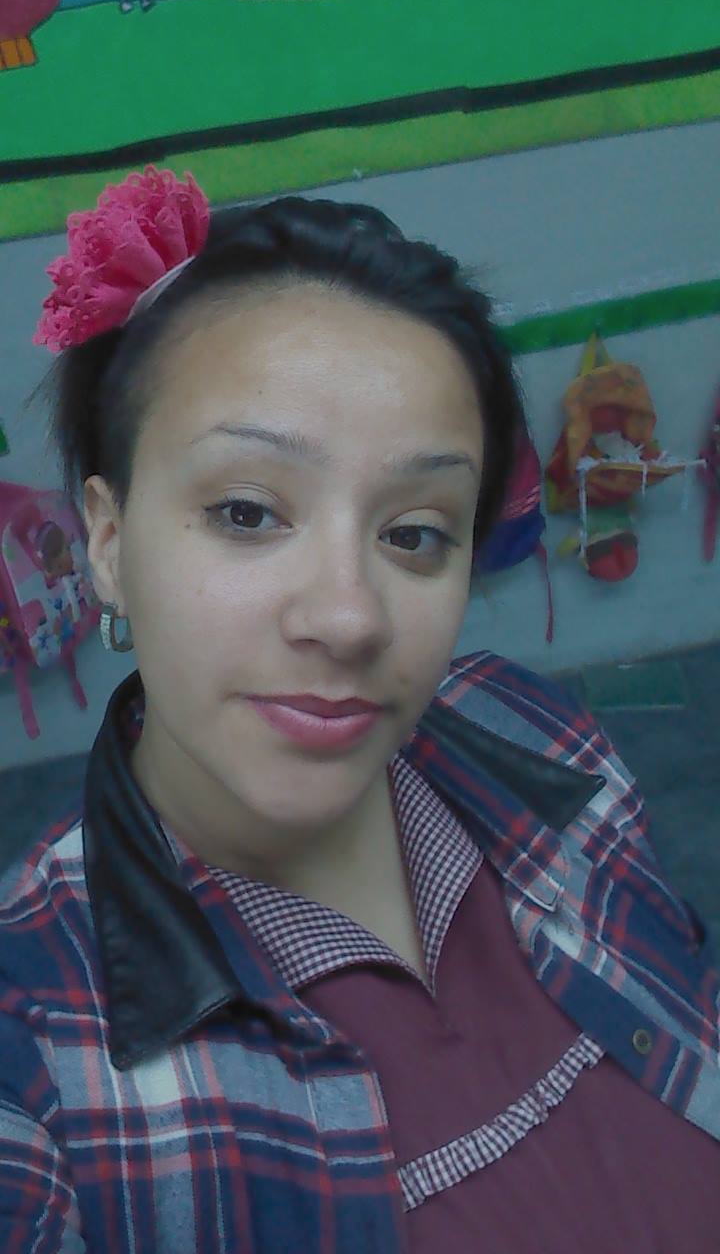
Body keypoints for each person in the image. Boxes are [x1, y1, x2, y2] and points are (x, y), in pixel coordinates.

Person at [1, 165, 718, 1253]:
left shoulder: (535, 733)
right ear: (107, 541)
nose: (348, 617)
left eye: (414, 533)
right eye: (248, 512)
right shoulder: (36, 1055)